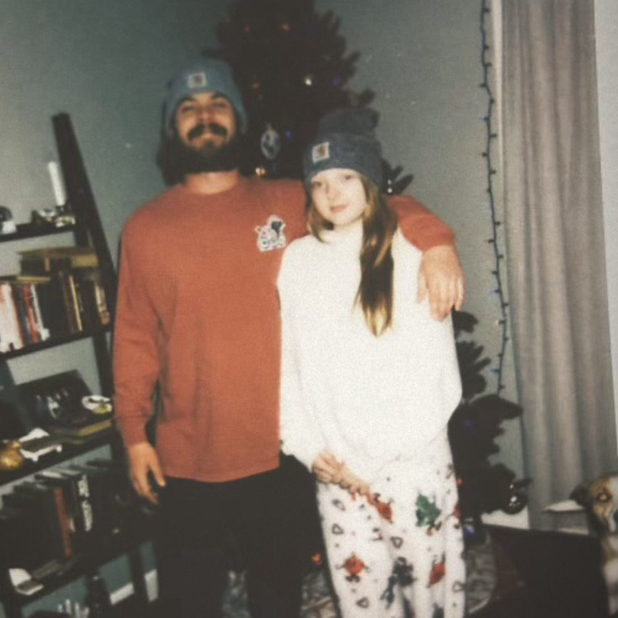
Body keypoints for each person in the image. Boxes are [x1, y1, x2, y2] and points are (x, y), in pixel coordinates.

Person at [112, 59, 464, 618]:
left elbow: (374, 202)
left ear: (239, 119)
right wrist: (134, 435)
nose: (205, 116)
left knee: (277, 600)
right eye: (189, 109)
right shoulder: (144, 228)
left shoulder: (286, 201)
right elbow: (133, 336)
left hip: (275, 456)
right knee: (188, 603)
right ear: (171, 128)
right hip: (187, 457)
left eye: (218, 104)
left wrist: (438, 242)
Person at [278, 108, 465, 618]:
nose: (332, 193)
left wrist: (374, 461)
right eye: (319, 183)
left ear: (369, 179)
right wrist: (306, 448)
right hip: (336, 471)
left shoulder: (413, 250)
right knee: (360, 599)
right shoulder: (296, 261)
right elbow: (288, 368)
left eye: (345, 177)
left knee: (431, 597)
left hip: (410, 464)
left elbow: (435, 373)